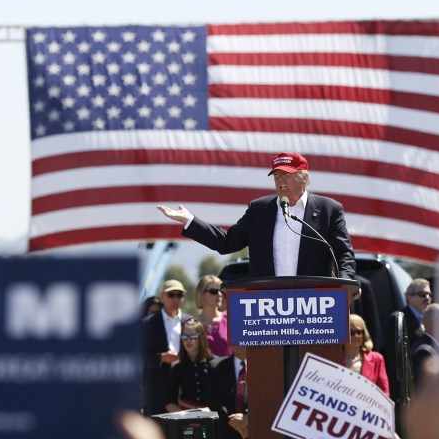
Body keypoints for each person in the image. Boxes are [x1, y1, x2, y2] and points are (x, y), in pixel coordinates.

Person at [157, 152, 357, 280]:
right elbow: (227, 243)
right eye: (276, 176)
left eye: (286, 175)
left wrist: (346, 280)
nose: (280, 181)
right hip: (266, 305)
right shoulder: (260, 210)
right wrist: (190, 220)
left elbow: (343, 253)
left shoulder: (329, 209)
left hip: (313, 303)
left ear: (304, 178)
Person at [141, 279, 188, 416]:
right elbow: (139, 357)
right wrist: (160, 358)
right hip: (156, 389)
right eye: (171, 294)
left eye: (179, 295)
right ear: (162, 296)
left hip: (183, 390)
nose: (175, 298)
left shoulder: (190, 322)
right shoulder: (148, 324)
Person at [165, 319, 214, 413]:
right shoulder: (178, 368)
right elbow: (169, 402)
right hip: (184, 418)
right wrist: (184, 416)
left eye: (193, 336)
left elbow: (222, 398)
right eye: (184, 336)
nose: (188, 340)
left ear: (201, 338)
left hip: (210, 417)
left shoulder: (214, 365)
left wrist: (208, 411)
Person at [345, 314, 389, 395]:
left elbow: (384, 392)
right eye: (351, 332)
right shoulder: (334, 358)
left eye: (359, 332)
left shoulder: (377, 359)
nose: (356, 336)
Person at [194, 275, 231, 358]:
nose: (219, 294)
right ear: (202, 293)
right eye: (214, 291)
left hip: (226, 370)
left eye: (221, 291)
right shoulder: (191, 324)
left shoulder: (231, 321)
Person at [399, 279, 431, 344]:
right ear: (409, 297)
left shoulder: (429, 318)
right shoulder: (401, 319)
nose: (427, 298)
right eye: (422, 294)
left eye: (429, 294)